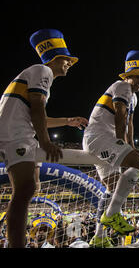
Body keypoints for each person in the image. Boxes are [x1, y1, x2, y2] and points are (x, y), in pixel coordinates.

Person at [0, 29, 87, 248]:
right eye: (67, 59)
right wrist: (45, 142)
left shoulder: (34, 72)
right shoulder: (42, 71)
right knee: (25, 190)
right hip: (16, 135)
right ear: (56, 58)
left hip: (16, 132)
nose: (69, 64)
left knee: (31, 187)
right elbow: (37, 108)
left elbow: (37, 115)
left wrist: (67, 120)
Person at [83, 50, 139, 247]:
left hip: (104, 139)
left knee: (112, 188)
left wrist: (131, 146)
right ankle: (111, 215)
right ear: (128, 75)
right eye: (137, 77)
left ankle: (99, 237)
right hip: (100, 137)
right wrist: (122, 143)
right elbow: (120, 115)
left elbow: (130, 123)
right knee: (137, 163)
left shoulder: (134, 97)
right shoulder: (122, 86)